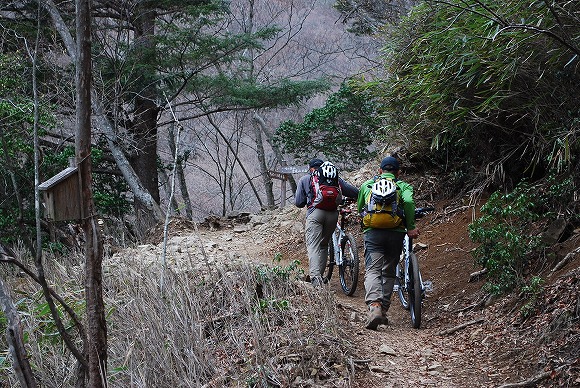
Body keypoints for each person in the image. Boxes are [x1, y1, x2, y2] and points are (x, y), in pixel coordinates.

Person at [357, 156, 419, 329]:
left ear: (380, 171)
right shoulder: (403, 186)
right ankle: (384, 308)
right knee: (389, 271)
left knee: (373, 270)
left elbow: (360, 207)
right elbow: (408, 202)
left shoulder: (367, 185)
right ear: (398, 173)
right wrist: (411, 226)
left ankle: (374, 307)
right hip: (396, 233)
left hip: (373, 234)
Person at [295, 158, 359, 287]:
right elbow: (354, 192)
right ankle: (320, 275)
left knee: (313, 246)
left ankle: (315, 278)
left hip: (315, 214)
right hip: (332, 214)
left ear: (311, 168)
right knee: (323, 245)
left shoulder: (306, 179)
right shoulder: (334, 178)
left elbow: (299, 202)